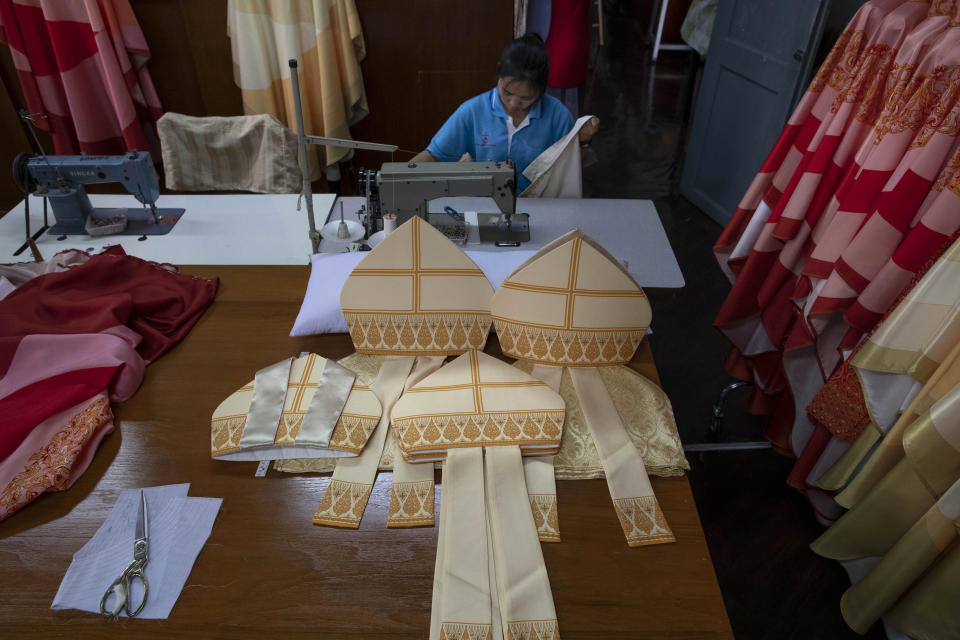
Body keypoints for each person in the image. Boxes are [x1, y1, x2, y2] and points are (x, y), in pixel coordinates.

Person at [410, 33, 598, 193]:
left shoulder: (557, 115)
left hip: (540, 205)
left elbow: (571, 169)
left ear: (541, 89)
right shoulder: (473, 111)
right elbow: (434, 155)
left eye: (526, 98)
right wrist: (395, 179)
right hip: (483, 205)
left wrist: (583, 141)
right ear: (499, 75)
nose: (514, 103)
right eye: (507, 92)